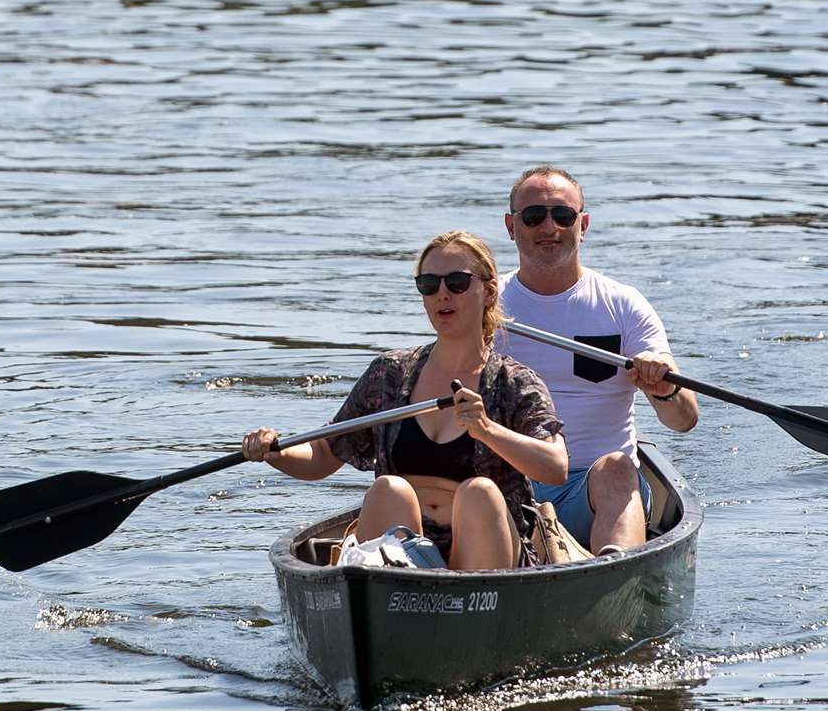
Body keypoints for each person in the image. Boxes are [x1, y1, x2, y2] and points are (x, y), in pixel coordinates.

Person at [240, 230, 567, 570]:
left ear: (488, 292)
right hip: (402, 553)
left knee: (479, 492)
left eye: (456, 282)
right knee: (389, 490)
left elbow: (555, 467)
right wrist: (274, 450)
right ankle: (393, 595)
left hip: (484, 550)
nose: (442, 294)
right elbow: (322, 455)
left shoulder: (514, 382)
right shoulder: (390, 374)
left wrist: (487, 430)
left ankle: (468, 600)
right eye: (429, 284)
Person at [495, 165, 698, 554]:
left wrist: (664, 388)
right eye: (534, 216)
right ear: (511, 226)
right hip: (505, 487)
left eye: (563, 215)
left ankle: (611, 570)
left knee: (617, 468)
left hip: (591, 491)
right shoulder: (486, 305)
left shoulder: (623, 305)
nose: (549, 227)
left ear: (582, 224)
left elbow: (684, 420)